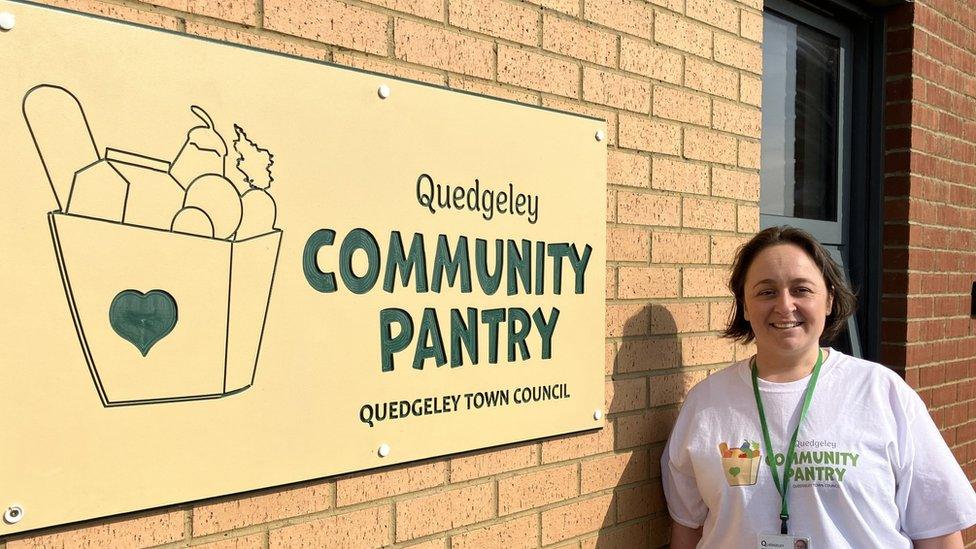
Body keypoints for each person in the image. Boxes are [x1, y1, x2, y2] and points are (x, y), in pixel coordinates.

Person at [662, 226, 976, 548]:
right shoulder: (705, 404)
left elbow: (939, 533)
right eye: (766, 292)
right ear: (744, 306)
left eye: (801, 289)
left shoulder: (882, 393)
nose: (785, 306)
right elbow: (687, 530)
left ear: (828, 299)